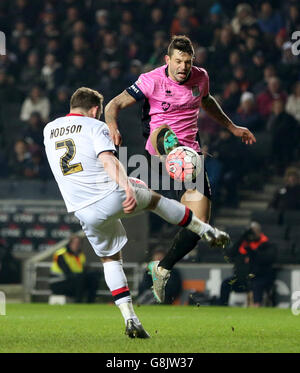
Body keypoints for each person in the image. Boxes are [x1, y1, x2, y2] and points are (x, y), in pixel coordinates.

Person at [44, 87, 229, 339]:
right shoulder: (95, 127)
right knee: (155, 200)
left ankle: (130, 319)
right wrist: (126, 188)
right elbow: (108, 160)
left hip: (83, 211)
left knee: (110, 259)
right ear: (96, 110)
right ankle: (205, 229)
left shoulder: (49, 129)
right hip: (110, 194)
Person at [105, 35, 256, 304]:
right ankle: (171, 152)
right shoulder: (151, 80)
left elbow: (206, 101)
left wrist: (232, 127)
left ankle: (161, 268)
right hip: (159, 153)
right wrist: (112, 126)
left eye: (188, 61)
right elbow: (113, 105)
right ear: (168, 60)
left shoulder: (201, 77)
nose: (183, 67)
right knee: (162, 132)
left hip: (191, 157)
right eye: (178, 61)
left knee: (201, 225)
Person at [220, 222, 277, 307]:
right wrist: (242, 238)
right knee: (226, 283)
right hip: (243, 278)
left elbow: (269, 259)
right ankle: (223, 306)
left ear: (259, 232)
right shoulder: (243, 243)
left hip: (259, 276)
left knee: (256, 285)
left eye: (253, 231)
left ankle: (256, 307)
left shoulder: (267, 244)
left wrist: (253, 251)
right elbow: (230, 253)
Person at [50, 235, 98, 303]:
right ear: (70, 243)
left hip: (74, 281)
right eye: (75, 243)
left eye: (79, 243)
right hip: (59, 283)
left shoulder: (81, 255)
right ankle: (78, 302)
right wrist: (80, 276)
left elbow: (83, 270)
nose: (77, 245)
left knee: (93, 278)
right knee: (80, 279)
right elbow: (67, 272)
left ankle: (90, 303)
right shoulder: (61, 254)